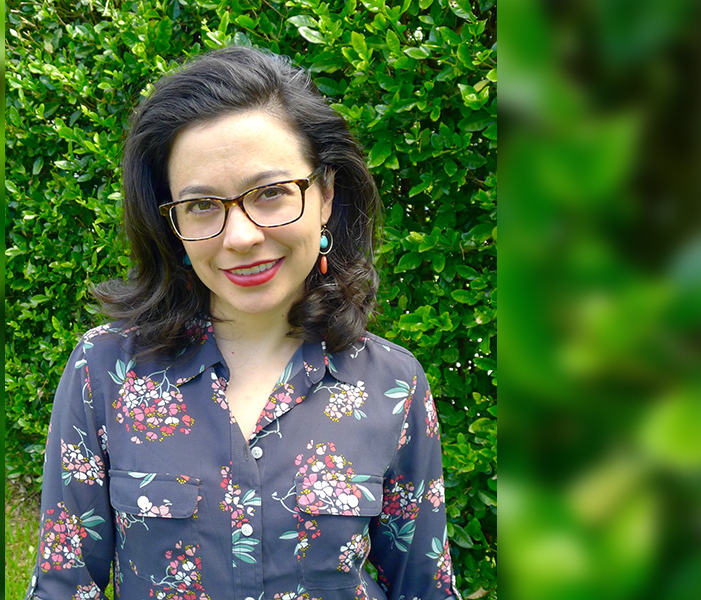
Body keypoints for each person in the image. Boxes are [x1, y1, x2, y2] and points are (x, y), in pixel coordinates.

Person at [26, 46, 461, 600]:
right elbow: (65, 586)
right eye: (202, 205)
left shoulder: (394, 385)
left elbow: (423, 588)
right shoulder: (105, 371)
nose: (240, 237)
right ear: (171, 223)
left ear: (326, 195)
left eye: (271, 193)